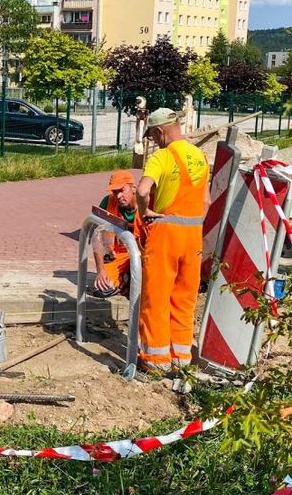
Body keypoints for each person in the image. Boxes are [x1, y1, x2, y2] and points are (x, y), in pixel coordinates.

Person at [135, 107, 210, 376]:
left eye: (153, 137)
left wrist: (145, 213)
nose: (154, 142)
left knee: (156, 297)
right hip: (193, 235)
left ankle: (155, 362)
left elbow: (142, 190)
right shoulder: (200, 156)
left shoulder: (162, 156)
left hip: (166, 234)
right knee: (184, 297)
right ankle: (180, 357)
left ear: (159, 131)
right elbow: (206, 201)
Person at [90, 170, 143, 298]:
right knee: (102, 288)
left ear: (133, 188)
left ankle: (129, 280)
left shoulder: (147, 203)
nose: (118, 196)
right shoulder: (107, 202)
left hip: (142, 255)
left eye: (121, 190)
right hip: (118, 256)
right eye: (115, 192)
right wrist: (100, 270)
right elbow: (97, 237)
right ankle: (124, 281)